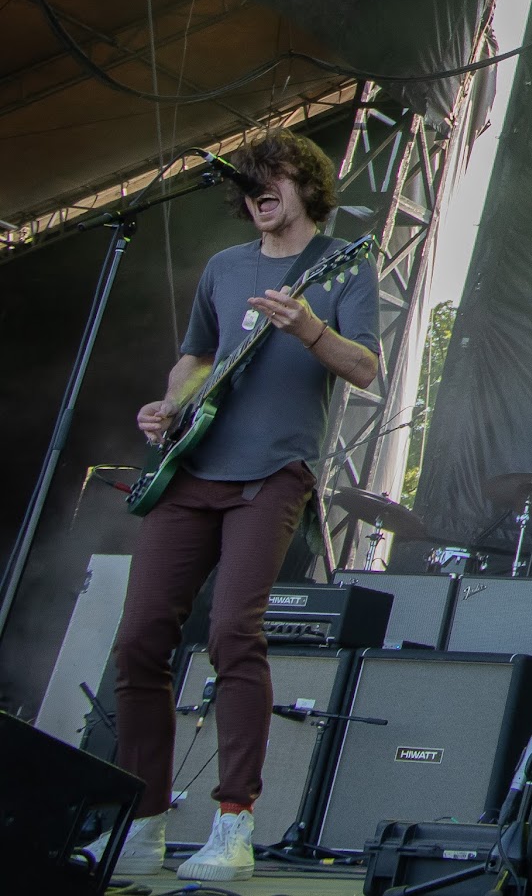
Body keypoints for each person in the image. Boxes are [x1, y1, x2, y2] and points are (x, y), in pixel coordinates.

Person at [103, 130, 380, 883]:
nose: (260, 188)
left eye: (275, 176)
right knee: (138, 642)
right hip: (192, 468)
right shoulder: (225, 267)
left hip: (273, 473)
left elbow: (364, 365)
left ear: (306, 187)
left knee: (232, 633)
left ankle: (233, 824)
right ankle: (146, 822)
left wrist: (309, 328)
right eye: (251, 179)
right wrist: (169, 404)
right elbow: (196, 354)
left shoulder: (342, 264)